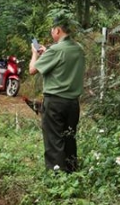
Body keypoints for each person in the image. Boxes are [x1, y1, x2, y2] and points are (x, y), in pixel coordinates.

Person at [28, 13, 86, 173]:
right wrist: (47, 53)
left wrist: (34, 54)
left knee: (54, 141)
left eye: (52, 30)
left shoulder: (56, 50)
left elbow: (33, 70)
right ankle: (72, 172)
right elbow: (63, 63)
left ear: (58, 30)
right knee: (69, 139)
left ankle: (57, 177)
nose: (51, 33)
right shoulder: (78, 48)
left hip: (55, 103)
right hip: (73, 104)